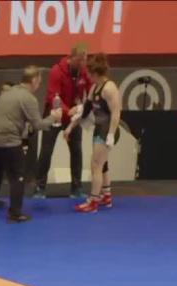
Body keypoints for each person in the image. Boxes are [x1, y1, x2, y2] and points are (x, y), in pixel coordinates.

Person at [0, 66, 62, 223]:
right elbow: (38, 124)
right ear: (34, 80)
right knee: (17, 176)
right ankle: (15, 213)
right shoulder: (28, 98)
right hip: (9, 139)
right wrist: (54, 117)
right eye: (39, 82)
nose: (39, 85)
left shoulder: (8, 92)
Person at [34, 44, 92, 199]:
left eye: (85, 60)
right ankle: (39, 188)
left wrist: (83, 108)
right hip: (55, 113)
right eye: (80, 60)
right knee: (46, 151)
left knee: (77, 151)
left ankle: (76, 188)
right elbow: (53, 96)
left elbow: (92, 91)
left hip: (73, 116)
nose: (83, 63)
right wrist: (67, 110)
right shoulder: (57, 71)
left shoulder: (84, 72)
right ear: (71, 58)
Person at [72, 53, 121, 213]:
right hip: (99, 129)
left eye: (89, 72)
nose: (87, 75)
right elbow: (85, 111)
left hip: (107, 130)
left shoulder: (109, 88)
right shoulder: (94, 88)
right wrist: (70, 127)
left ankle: (93, 202)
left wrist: (111, 134)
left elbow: (116, 113)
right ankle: (106, 196)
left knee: (96, 165)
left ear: (95, 73)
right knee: (102, 164)